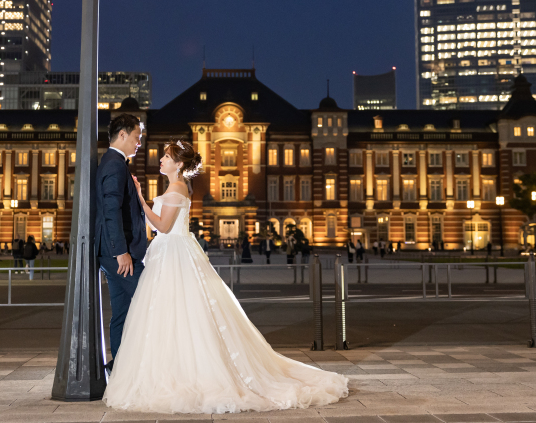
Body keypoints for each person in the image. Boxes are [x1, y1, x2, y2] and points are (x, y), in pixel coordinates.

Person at [104, 138, 347, 413]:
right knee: (179, 314)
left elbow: (163, 226)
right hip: (173, 253)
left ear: (179, 164)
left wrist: (139, 199)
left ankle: (180, 373)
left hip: (172, 253)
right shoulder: (177, 186)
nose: (161, 159)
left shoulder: (176, 187)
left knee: (173, 314)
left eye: (166, 157)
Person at [95, 114, 148, 377]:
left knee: (122, 313)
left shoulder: (114, 162)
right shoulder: (116, 165)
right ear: (123, 135)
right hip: (119, 255)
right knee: (152, 300)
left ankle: (119, 370)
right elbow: (110, 210)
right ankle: (128, 367)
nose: (139, 143)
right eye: (137, 137)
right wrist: (120, 252)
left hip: (112, 254)